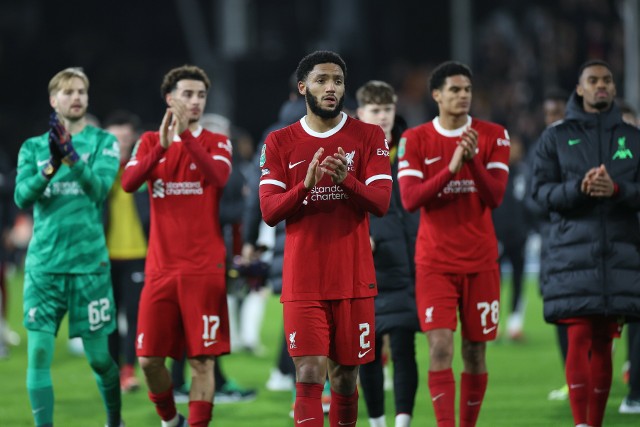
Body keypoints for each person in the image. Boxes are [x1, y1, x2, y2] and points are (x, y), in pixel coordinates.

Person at [259, 50, 392, 427]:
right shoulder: (280, 142)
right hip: (304, 280)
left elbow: (381, 202)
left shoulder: (368, 136)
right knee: (309, 373)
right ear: (303, 87)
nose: (330, 87)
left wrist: (345, 181)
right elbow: (269, 212)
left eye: (337, 80)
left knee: (346, 378)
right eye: (321, 80)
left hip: (353, 278)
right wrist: (305, 186)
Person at [397, 61, 510, 427]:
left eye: (467, 90)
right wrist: (450, 169)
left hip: (481, 262)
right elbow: (411, 199)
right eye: (455, 90)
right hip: (435, 263)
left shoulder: (494, 135)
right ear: (436, 95)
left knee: (475, 351)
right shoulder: (414, 140)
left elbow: (494, 197)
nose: (463, 96)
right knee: (441, 347)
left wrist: (472, 162)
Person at [121, 65, 232, 427]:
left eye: (200, 95)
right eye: (188, 94)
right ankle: (170, 420)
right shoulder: (150, 142)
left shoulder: (217, 142)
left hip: (204, 269)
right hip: (161, 269)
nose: (195, 101)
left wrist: (188, 138)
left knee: (202, 361)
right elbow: (128, 182)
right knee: (149, 360)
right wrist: (163, 148)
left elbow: (218, 178)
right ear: (170, 98)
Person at [531, 59, 640, 427]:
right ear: (579, 89)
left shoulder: (632, 137)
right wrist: (578, 189)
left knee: (604, 341)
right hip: (572, 254)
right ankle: (581, 423)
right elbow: (539, 193)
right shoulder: (556, 136)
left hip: (618, 255)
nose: (601, 86)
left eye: (607, 80)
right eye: (593, 80)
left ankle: (594, 424)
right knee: (579, 336)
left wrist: (618, 190)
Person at [14, 67, 123, 427]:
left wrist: (72, 158)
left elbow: (99, 190)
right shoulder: (32, 147)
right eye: (68, 92)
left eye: (81, 91)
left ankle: (113, 420)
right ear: (54, 100)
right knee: (39, 353)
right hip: (44, 266)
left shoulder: (104, 142)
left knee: (98, 359)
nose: (76, 97)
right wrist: (49, 166)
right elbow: (21, 197)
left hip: (89, 267)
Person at [355, 80, 420, 427]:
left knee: (404, 347)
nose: (382, 116)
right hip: (368, 264)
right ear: (360, 113)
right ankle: (378, 422)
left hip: (407, 264)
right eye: (375, 110)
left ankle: (402, 422)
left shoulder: (412, 147)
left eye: (387, 110)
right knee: (367, 351)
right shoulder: (350, 151)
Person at [528, 88, 570, 401]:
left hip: (578, 243)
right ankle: (572, 378)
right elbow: (532, 199)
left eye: (558, 114)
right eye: (549, 114)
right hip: (552, 244)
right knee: (558, 312)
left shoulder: (579, 147)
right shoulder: (540, 149)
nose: (553, 120)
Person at [104, 110, 148, 393]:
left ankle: (129, 371)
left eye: (124, 136)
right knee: (107, 318)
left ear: (133, 138)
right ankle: (113, 371)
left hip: (138, 255)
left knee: (134, 316)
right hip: (104, 256)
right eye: (114, 137)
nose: (120, 141)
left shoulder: (143, 168)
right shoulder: (98, 171)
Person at [491, 134, 529, 341]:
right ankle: (493, 324)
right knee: (494, 283)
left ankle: (515, 324)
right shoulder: (495, 174)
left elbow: (530, 205)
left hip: (520, 238)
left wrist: (529, 231)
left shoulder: (524, 172)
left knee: (518, 280)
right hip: (497, 238)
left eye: (517, 146)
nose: (515, 151)